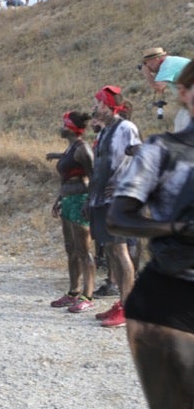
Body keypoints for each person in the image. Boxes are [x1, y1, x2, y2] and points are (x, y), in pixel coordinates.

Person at [61, 60, 194, 409]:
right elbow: (122, 213)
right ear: (185, 94)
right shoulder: (163, 151)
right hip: (169, 304)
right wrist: (177, 229)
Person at [88, 86, 141, 326]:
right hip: (100, 200)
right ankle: (121, 301)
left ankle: (128, 308)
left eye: (99, 103)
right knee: (110, 251)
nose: (95, 107)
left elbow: (140, 156)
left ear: (110, 106)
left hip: (117, 201)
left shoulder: (125, 128)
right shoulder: (105, 130)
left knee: (120, 252)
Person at [46, 112, 96, 310]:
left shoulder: (82, 149)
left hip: (80, 200)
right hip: (68, 200)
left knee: (83, 250)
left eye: (64, 124)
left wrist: (89, 202)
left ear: (71, 128)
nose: (61, 126)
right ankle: (73, 291)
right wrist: (59, 199)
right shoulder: (71, 148)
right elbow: (66, 177)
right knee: (71, 249)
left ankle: (88, 296)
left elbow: (94, 176)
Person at [140, 46, 193, 132]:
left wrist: (147, 74)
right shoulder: (169, 62)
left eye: (148, 63)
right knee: (180, 123)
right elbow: (161, 89)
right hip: (189, 102)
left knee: (183, 128)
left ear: (156, 59)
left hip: (191, 101)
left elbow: (158, 87)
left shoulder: (167, 65)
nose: (148, 67)